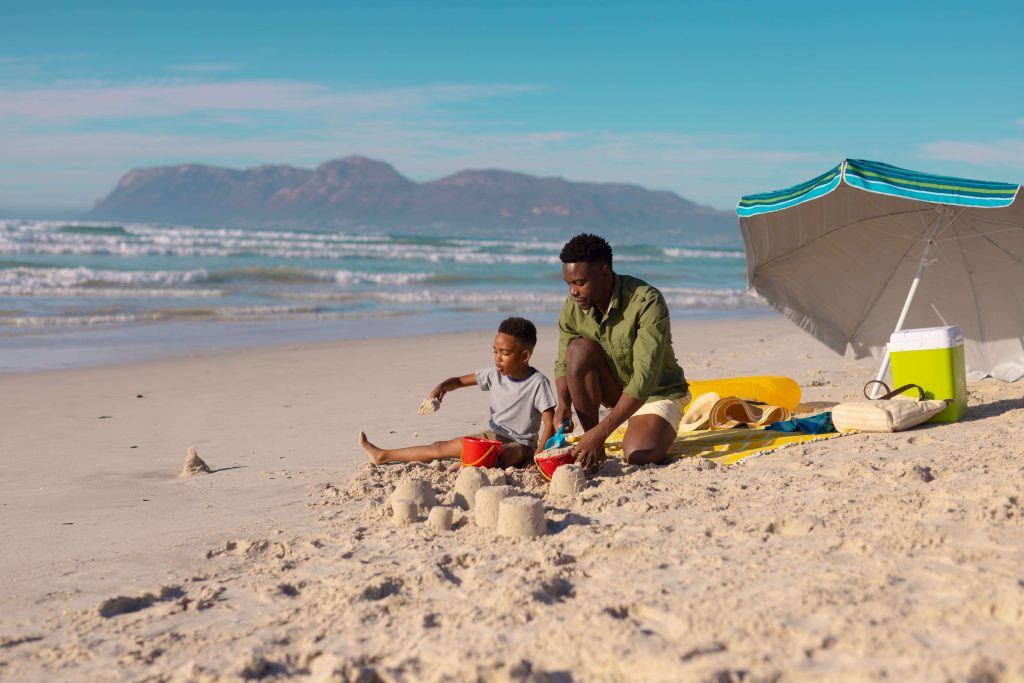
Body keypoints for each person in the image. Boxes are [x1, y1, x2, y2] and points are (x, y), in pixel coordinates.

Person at [554, 233, 690, 468]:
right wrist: (563, 405)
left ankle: (597, 437)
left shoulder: (647, 301)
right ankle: (596, 449)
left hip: (656, 392)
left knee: (638, 456)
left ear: (605, 273)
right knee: (577, 351)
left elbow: (644, 380)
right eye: (568, 284)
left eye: (579, 283)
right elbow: (562, 363)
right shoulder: (573, 307)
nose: (572, 292)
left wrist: (601, 431)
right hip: (615, 391)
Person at [359, 316, 556, 467]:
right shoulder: (493, 374)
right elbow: (460, 381)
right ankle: (383, 455)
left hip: (520, 446)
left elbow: (549, 425)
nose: (497, 358)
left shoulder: (538, 382)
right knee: (439, 448)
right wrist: (442, 386)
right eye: (495, 351)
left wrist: (538, 457)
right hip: (491, 437)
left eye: (504, 353)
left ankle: (471, 465)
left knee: (503, 455)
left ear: (524, 356)